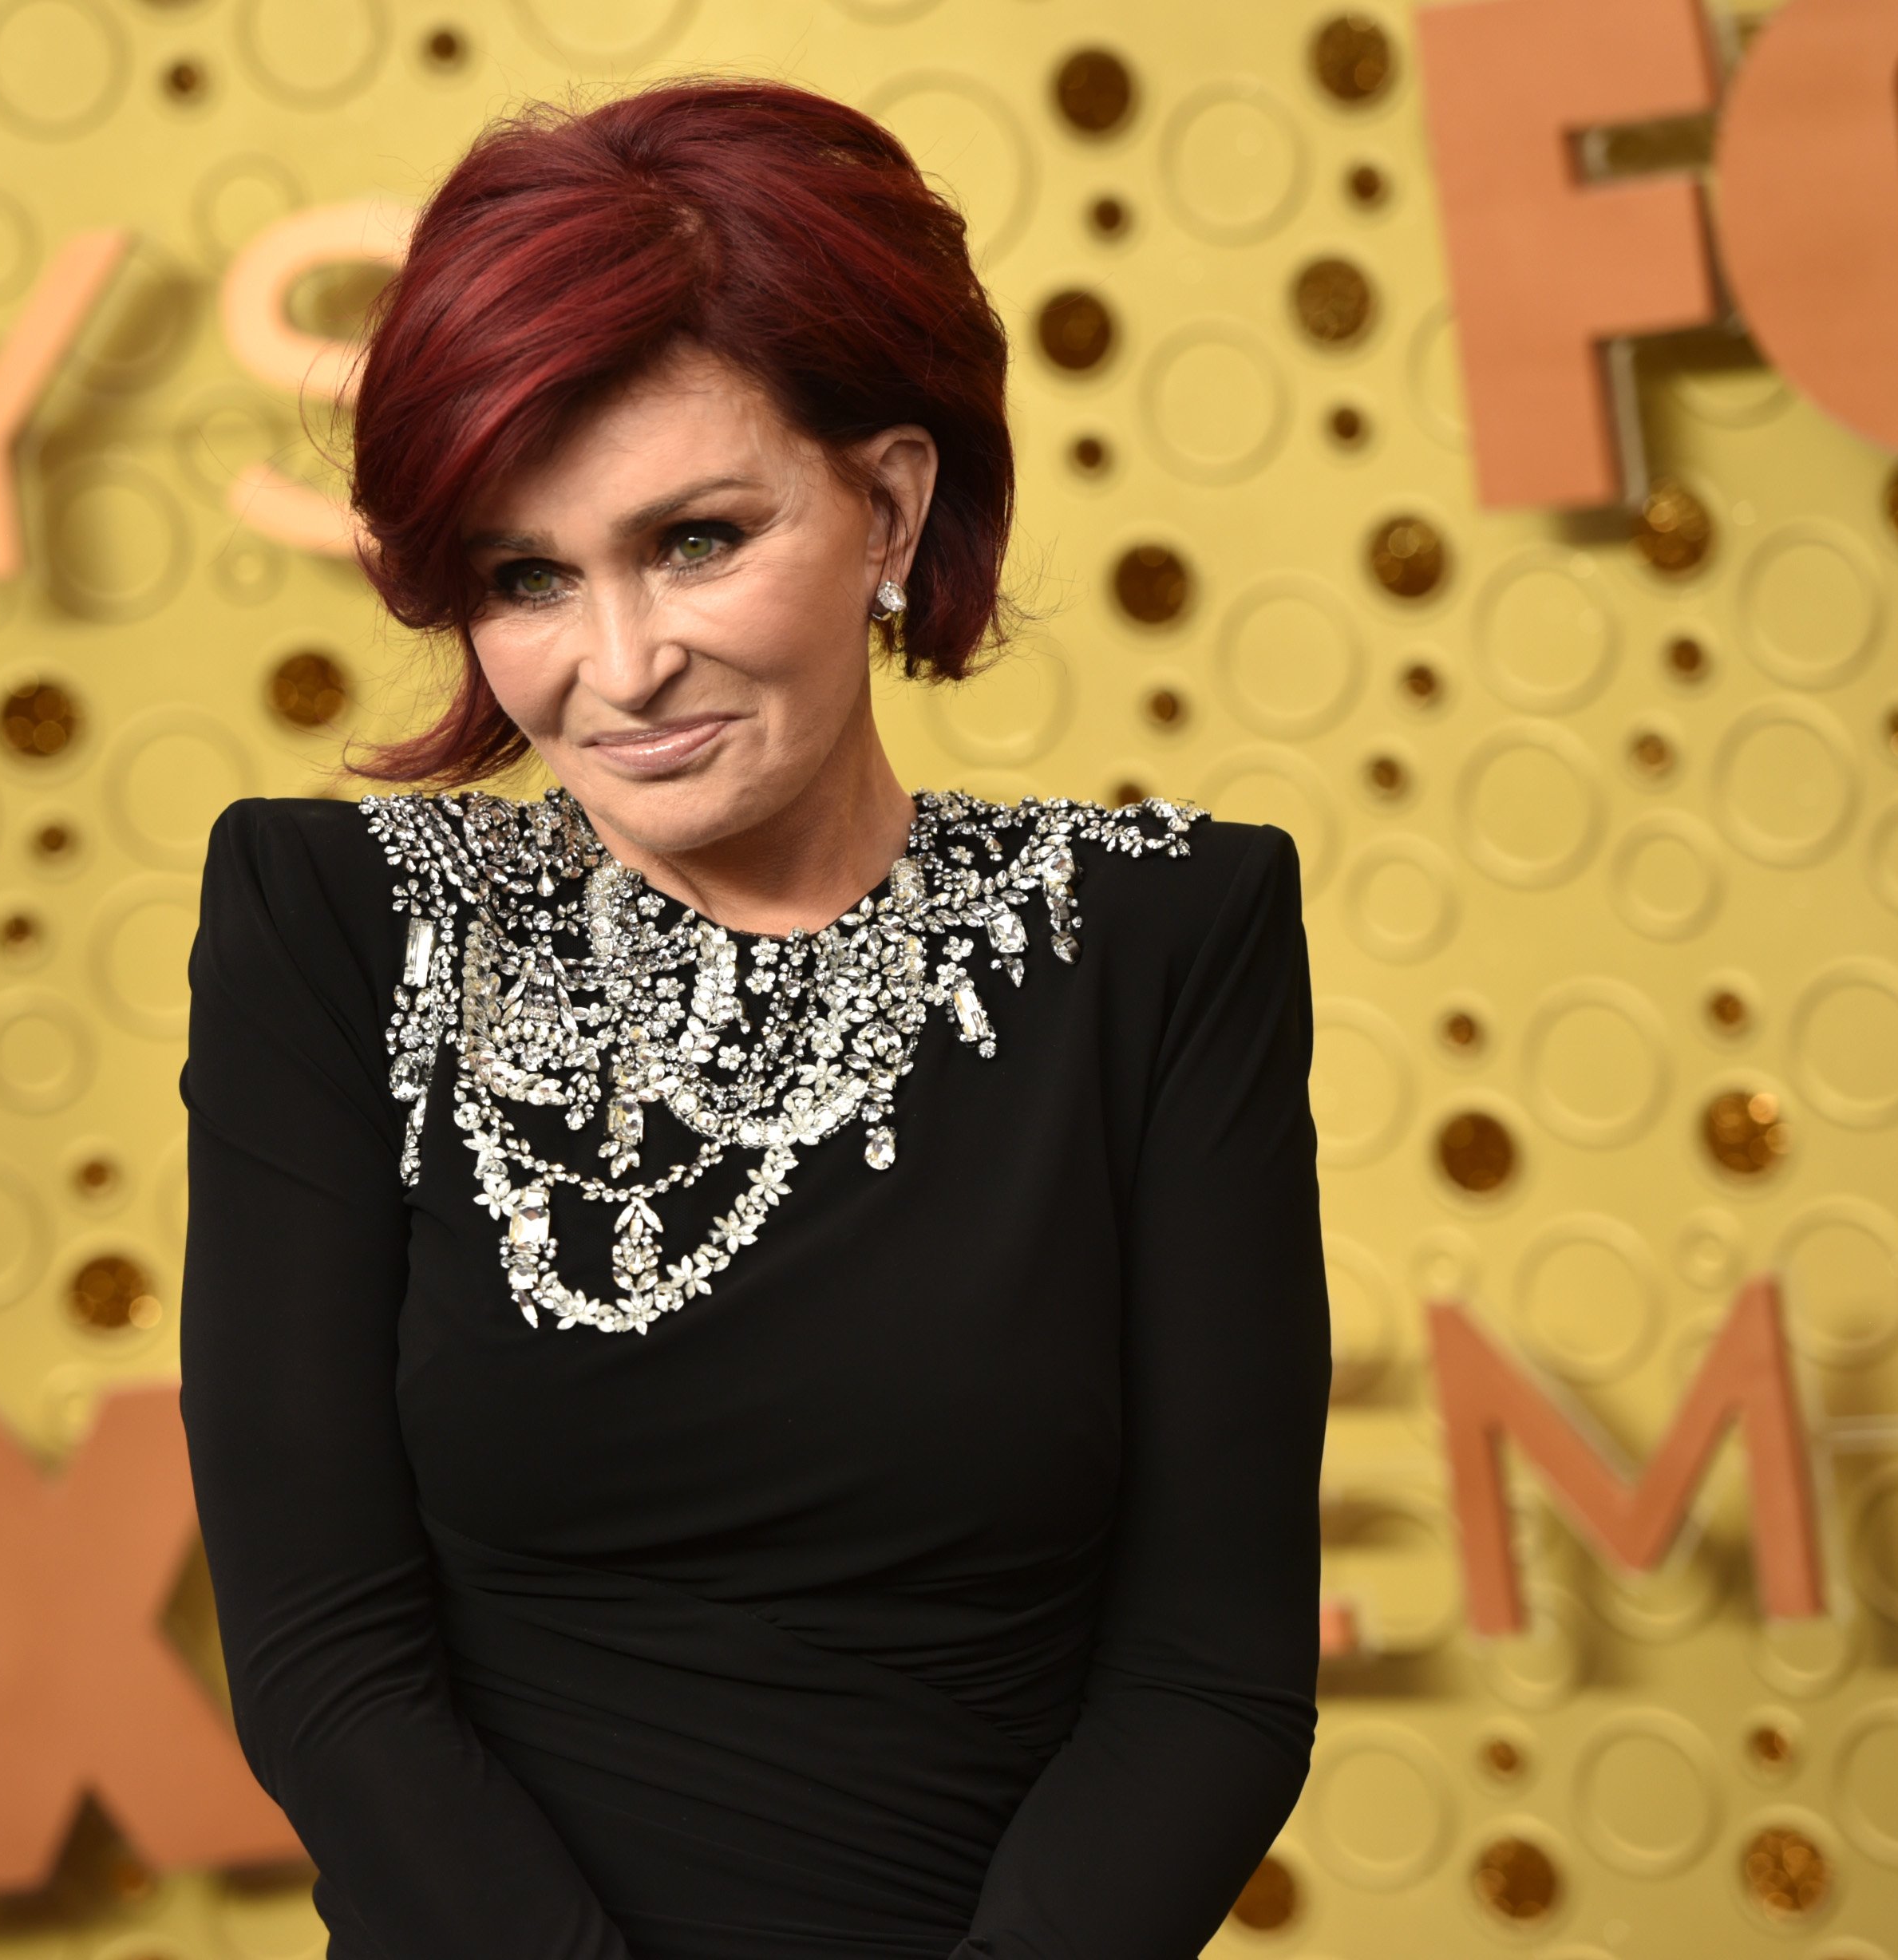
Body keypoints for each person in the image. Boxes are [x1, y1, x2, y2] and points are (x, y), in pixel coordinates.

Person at [177, 76, 1331, 1960]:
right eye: (523, 577)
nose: (617, 668)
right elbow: (326, 1665)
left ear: (889, 500)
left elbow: (1208, 1687)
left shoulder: (1164, 937)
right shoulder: (338, 933)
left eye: (696, 538)